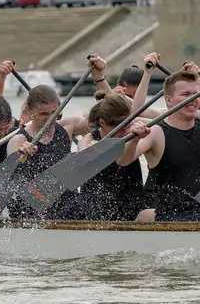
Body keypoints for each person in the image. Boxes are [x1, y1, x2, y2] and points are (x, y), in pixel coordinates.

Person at [117, 67, 200, 222]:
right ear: (168, 100)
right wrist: (134, 140)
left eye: (196, 94)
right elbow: (123, 160)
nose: (193, 99)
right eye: (186, 95)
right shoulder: (156, 132)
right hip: (169, 215)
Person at [6, 84, 92, 219]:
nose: (50, 119)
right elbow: (8, 174)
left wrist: (100, 79)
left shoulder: (67, 126)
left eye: (54, 113)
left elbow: (103, 123)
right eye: (43, 114)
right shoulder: (19, 140)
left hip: (66, 206)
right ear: (29, 110)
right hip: (32, 209)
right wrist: (21, 158)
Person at [60, 92, 145, 221]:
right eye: (116, 125)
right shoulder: (88, 140)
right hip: (96, 207)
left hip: (130, 205)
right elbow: (81, 160)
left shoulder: (133, 134)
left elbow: (122, 160)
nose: (122, 130)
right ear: (102, 122)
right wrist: (93, 152)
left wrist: (135, 139)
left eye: (125, 124)